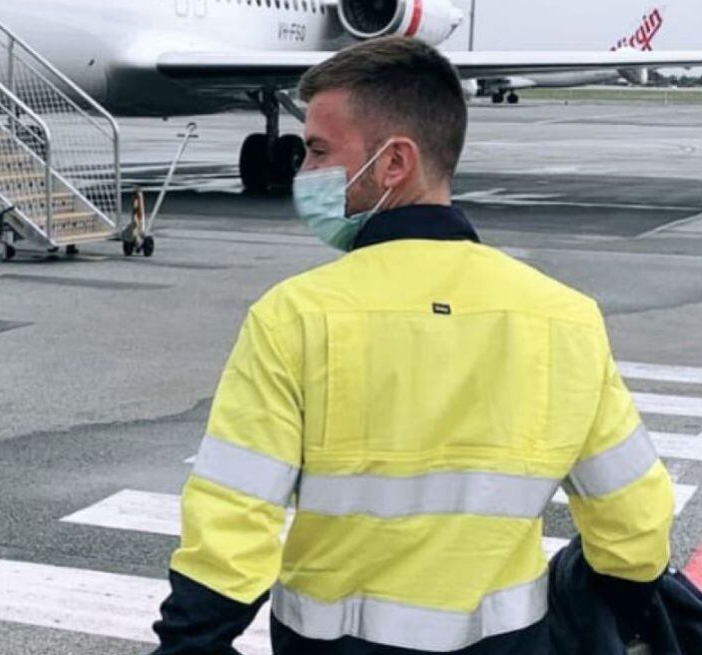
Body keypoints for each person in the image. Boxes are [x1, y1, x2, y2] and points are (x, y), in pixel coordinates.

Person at [149, 36, 675, 654]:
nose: (304, 171)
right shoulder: (566, 319)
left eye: (318, 151)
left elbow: (232, 522)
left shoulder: (294, 317)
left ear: (394, 164)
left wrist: (188, 644)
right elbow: (635, 531)